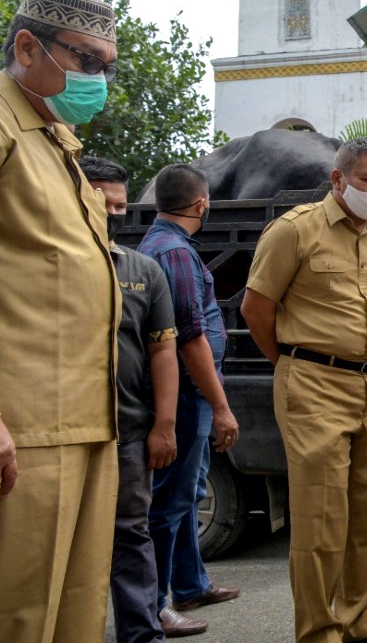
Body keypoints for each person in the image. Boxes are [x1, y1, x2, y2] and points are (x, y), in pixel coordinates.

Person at [241, 139, 367, 643]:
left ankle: (361, 622)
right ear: (338, 181)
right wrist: (294, 365)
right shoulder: (295, 230)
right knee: (320, 520)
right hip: (314, 383)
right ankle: (320, 632)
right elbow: (256, 309)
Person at [0, 0, 121, 643]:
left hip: (84, 421)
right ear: (27, 46)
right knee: (19, 611)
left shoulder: (59, 144)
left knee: (75, 609)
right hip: (23, 428)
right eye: (87, 61)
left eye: (107, 66)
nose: (98, 79)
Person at [138, 163, 241, 637]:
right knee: (170, 502)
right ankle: (156, 604)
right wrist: (220, 406)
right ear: (201, 204)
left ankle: (190, 582)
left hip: (188, 394)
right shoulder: (174, 252)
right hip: (183, 397)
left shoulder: (163, 245)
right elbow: (189, 337)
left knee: (189, 493)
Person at [81, 156, 180, 643]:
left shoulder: (142, 270)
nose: (112, 213)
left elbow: (163, 349)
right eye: (102, 201)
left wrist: (164, 424)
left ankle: (143, 635)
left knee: (132, 535)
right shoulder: (42, 265)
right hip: (63, 433)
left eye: (121, 205)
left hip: (128, 431)